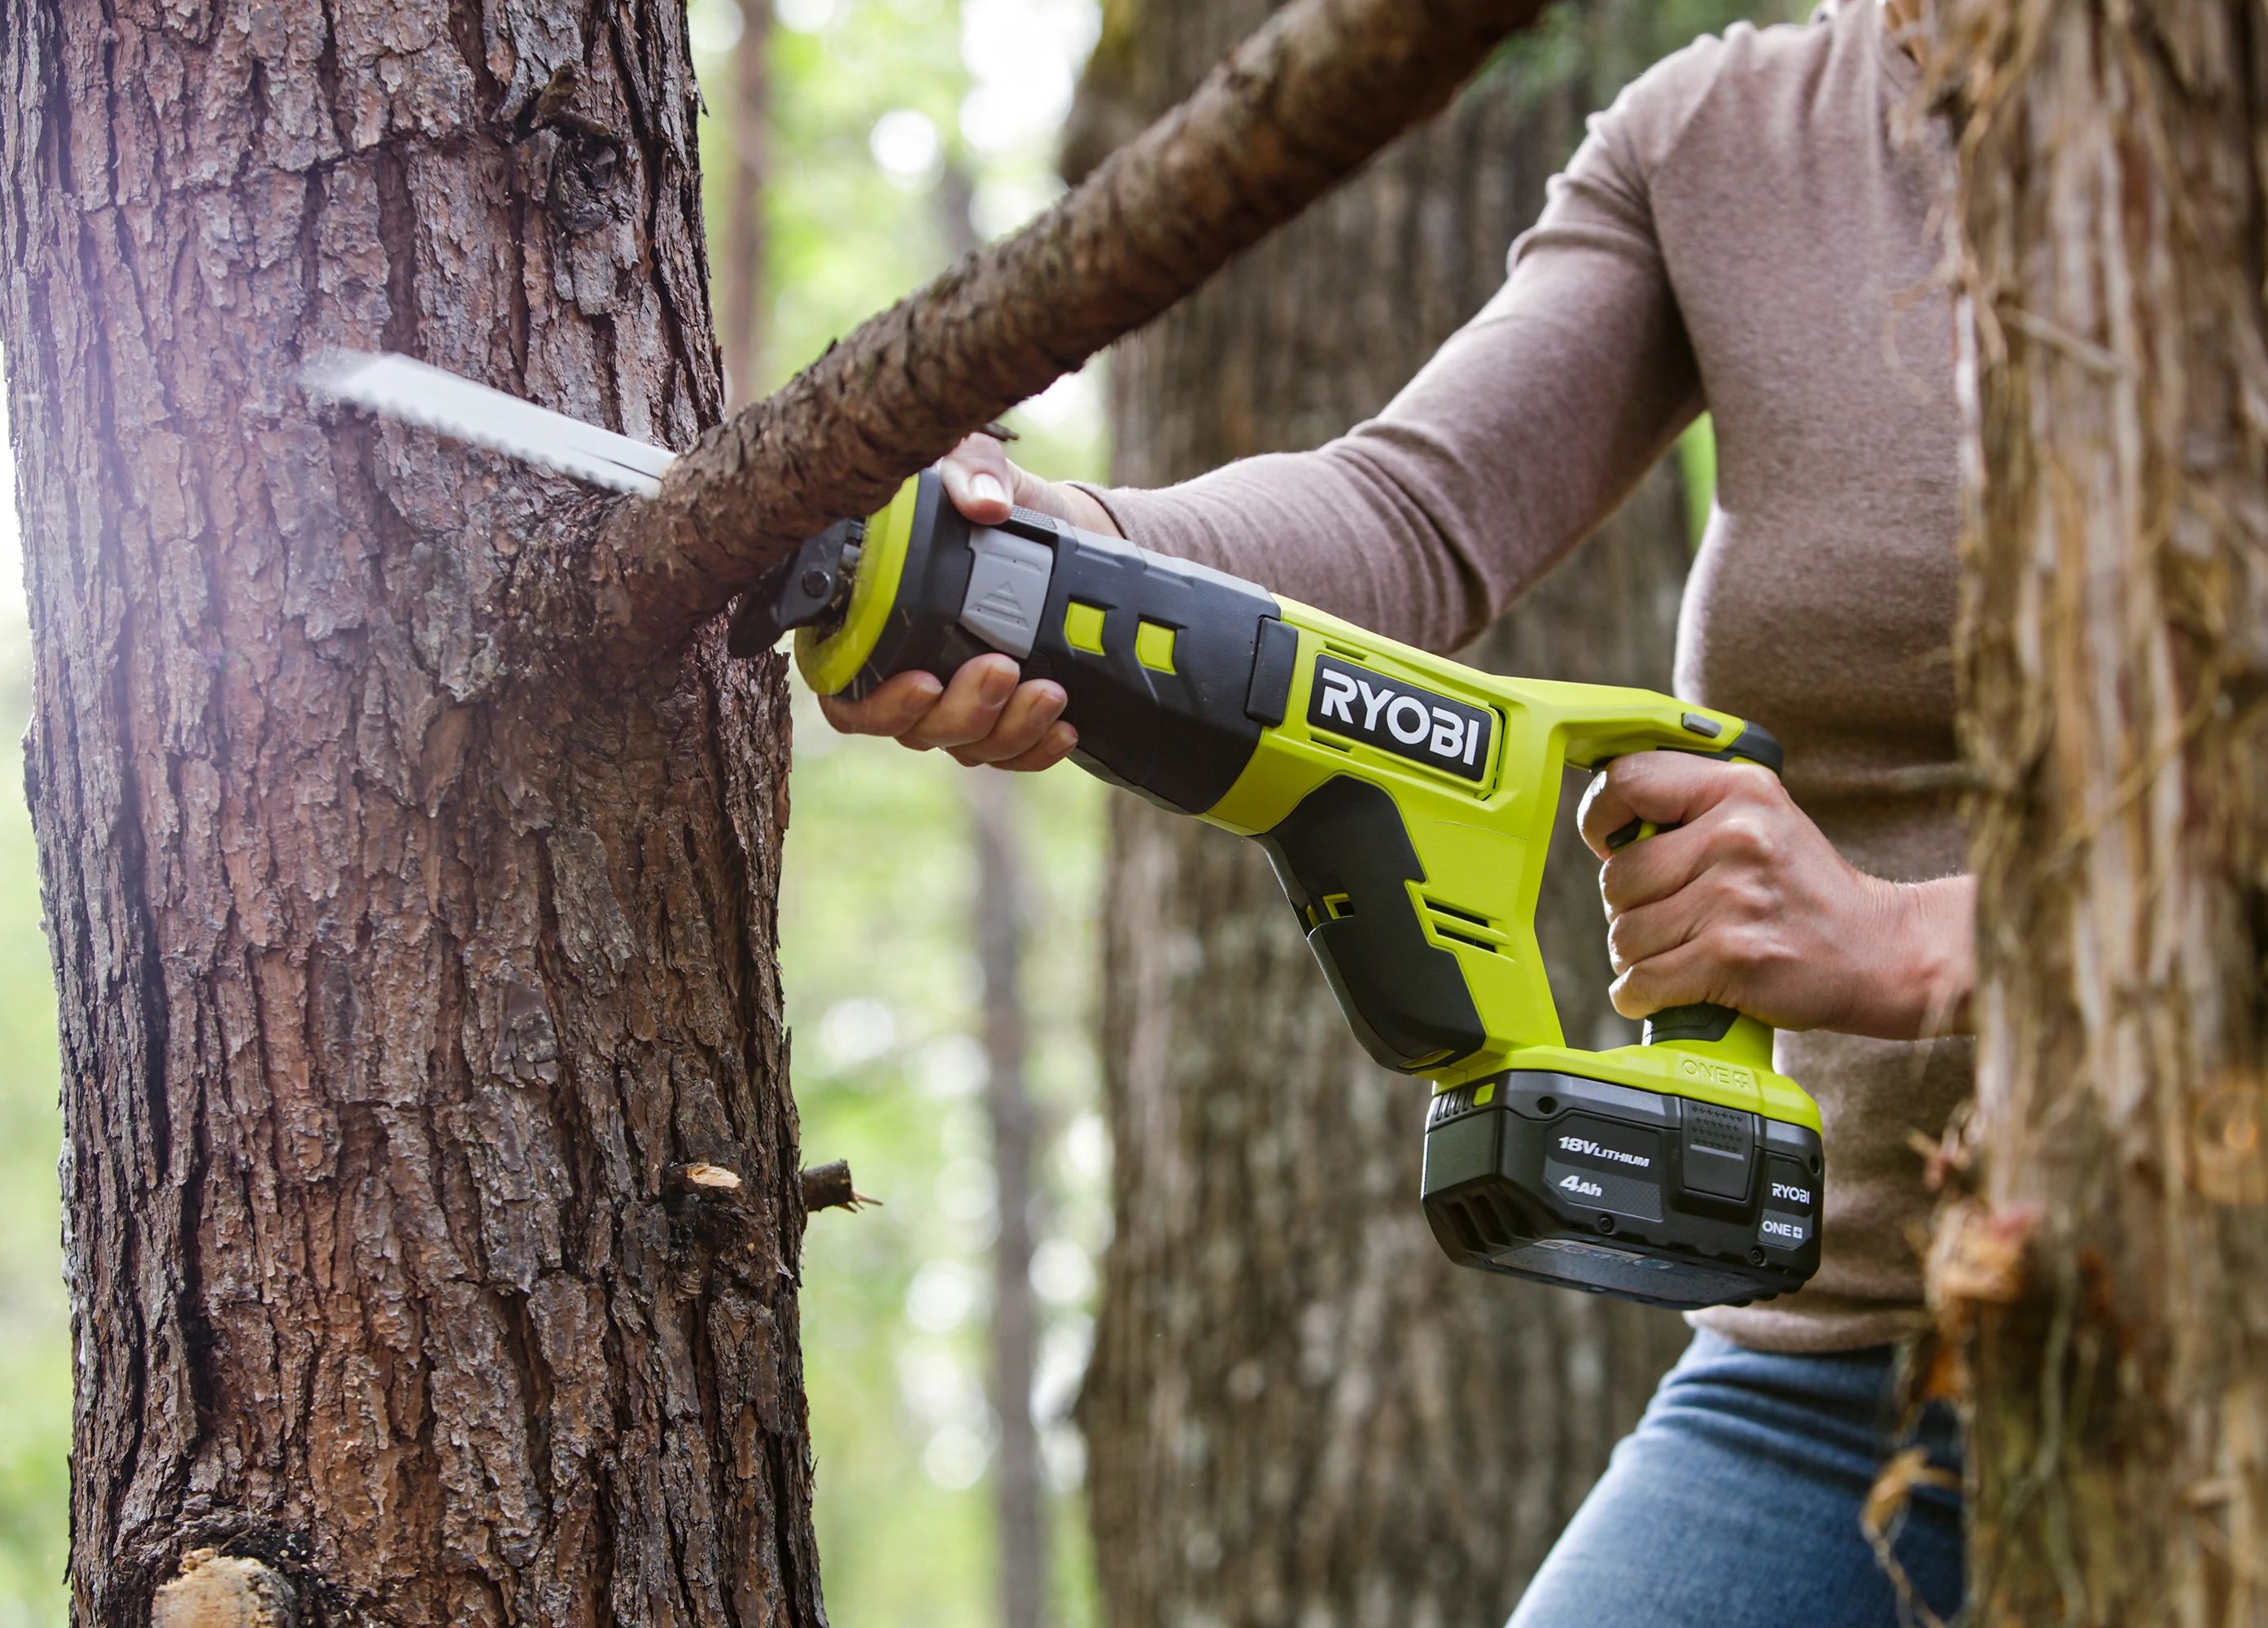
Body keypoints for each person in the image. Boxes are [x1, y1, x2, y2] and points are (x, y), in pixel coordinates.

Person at [828, 0, 1969, 1621]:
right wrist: (1027, 559)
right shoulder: (1720, 132)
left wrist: (1922, 941)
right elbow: (1408, 512)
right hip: (1860, 1356)